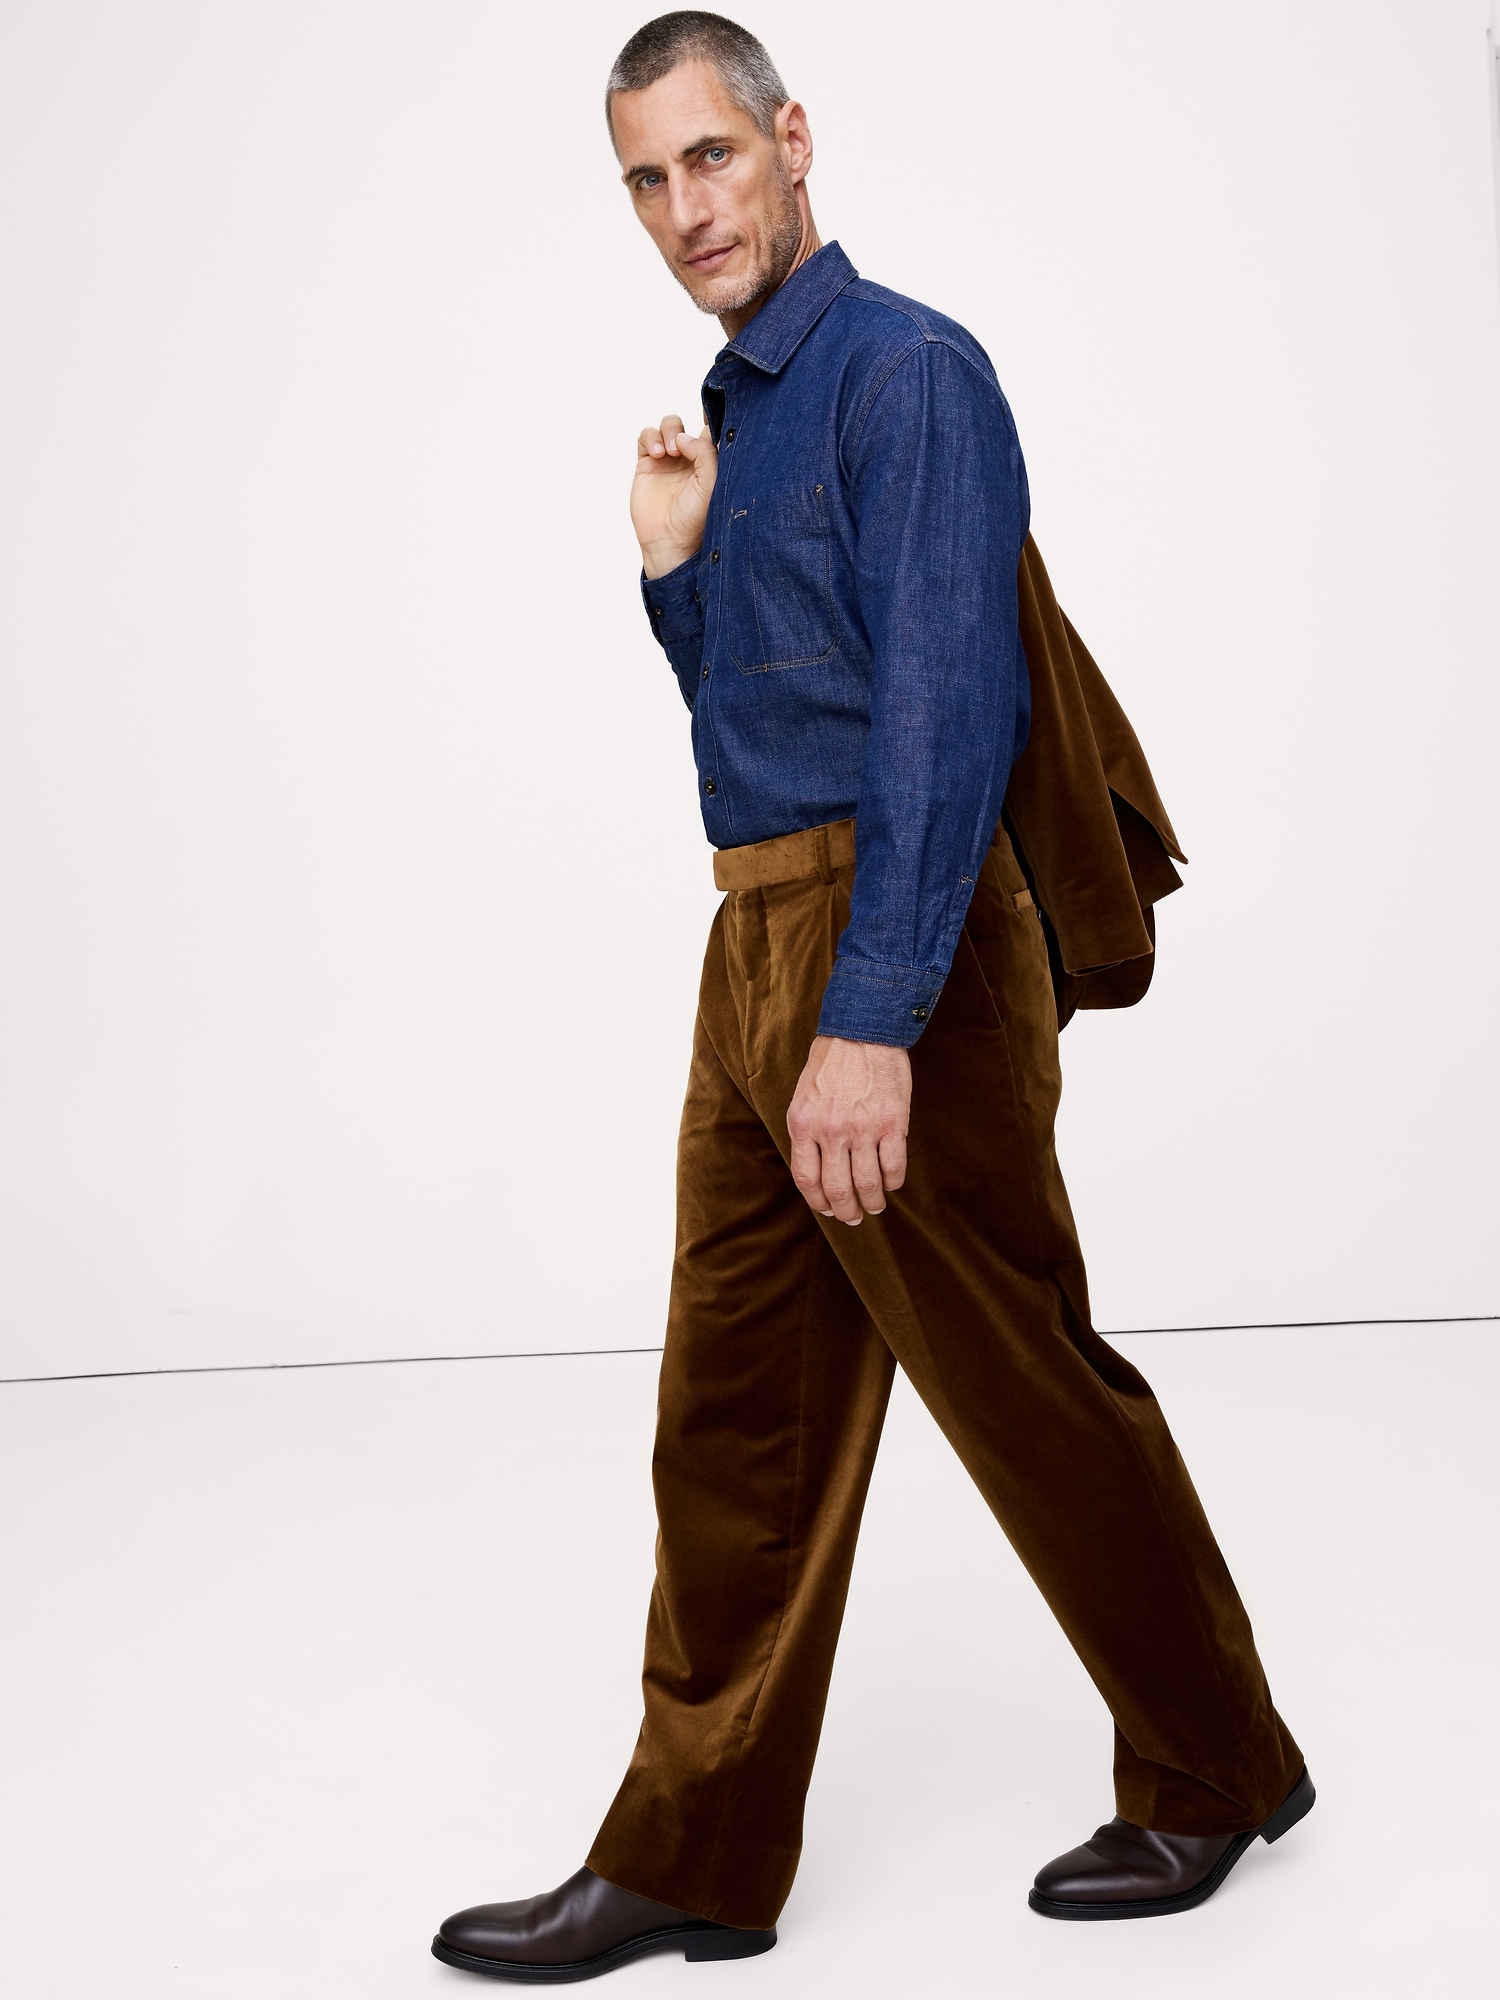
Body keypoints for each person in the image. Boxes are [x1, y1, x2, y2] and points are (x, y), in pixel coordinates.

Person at [432, 12, 1312, 1982]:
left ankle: (1217, 1762)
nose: (684, 209)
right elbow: (764, 726)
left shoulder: (907, 372)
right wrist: (676, 573)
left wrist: (872, 1019)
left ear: (792, 140)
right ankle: (694, 1850)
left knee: (1020, 1381)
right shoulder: (736, 413)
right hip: (755, 934)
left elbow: (942, 713)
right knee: (732, 1416)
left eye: (710, 157)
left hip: (889, 944)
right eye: (645, 181)